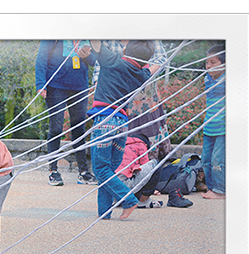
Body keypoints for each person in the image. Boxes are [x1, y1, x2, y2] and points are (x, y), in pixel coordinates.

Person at [87, 40, 160, 220]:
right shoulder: (141, 74)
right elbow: (155, 66)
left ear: (125, 49)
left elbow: (95, 42)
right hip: (122, 123)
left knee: (100, 169)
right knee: (108, 169)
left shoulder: (112, 60)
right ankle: (104, 213)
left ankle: (128, 200)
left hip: (105, 121)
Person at [92, 40, 171, 162]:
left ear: (124, 52)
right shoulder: (142, 74)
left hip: (145, 103)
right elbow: (98, 69)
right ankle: (125, 172)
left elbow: (161, 60)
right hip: (119, 107)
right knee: (117, 157)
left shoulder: (148, 38)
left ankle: (145, 169)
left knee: (104, 167)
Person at [35, 40, 97, 186]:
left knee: (79, 128)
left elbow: (95, 61)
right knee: (56, 127)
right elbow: (42, 57)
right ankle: (53, 171)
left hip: (80, 86)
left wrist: (86, 56)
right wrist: (40, 83)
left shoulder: (87, 36)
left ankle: (83, 172)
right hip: (56, 85)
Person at [201, 44, 226, 200]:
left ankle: (220, 190)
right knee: (206, 159)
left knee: (218, 160)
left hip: (223, 128)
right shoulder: (207, 78)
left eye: (213, 62)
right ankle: (211, 188)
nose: (208, 66)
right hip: (209, 126)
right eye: (207, 63)